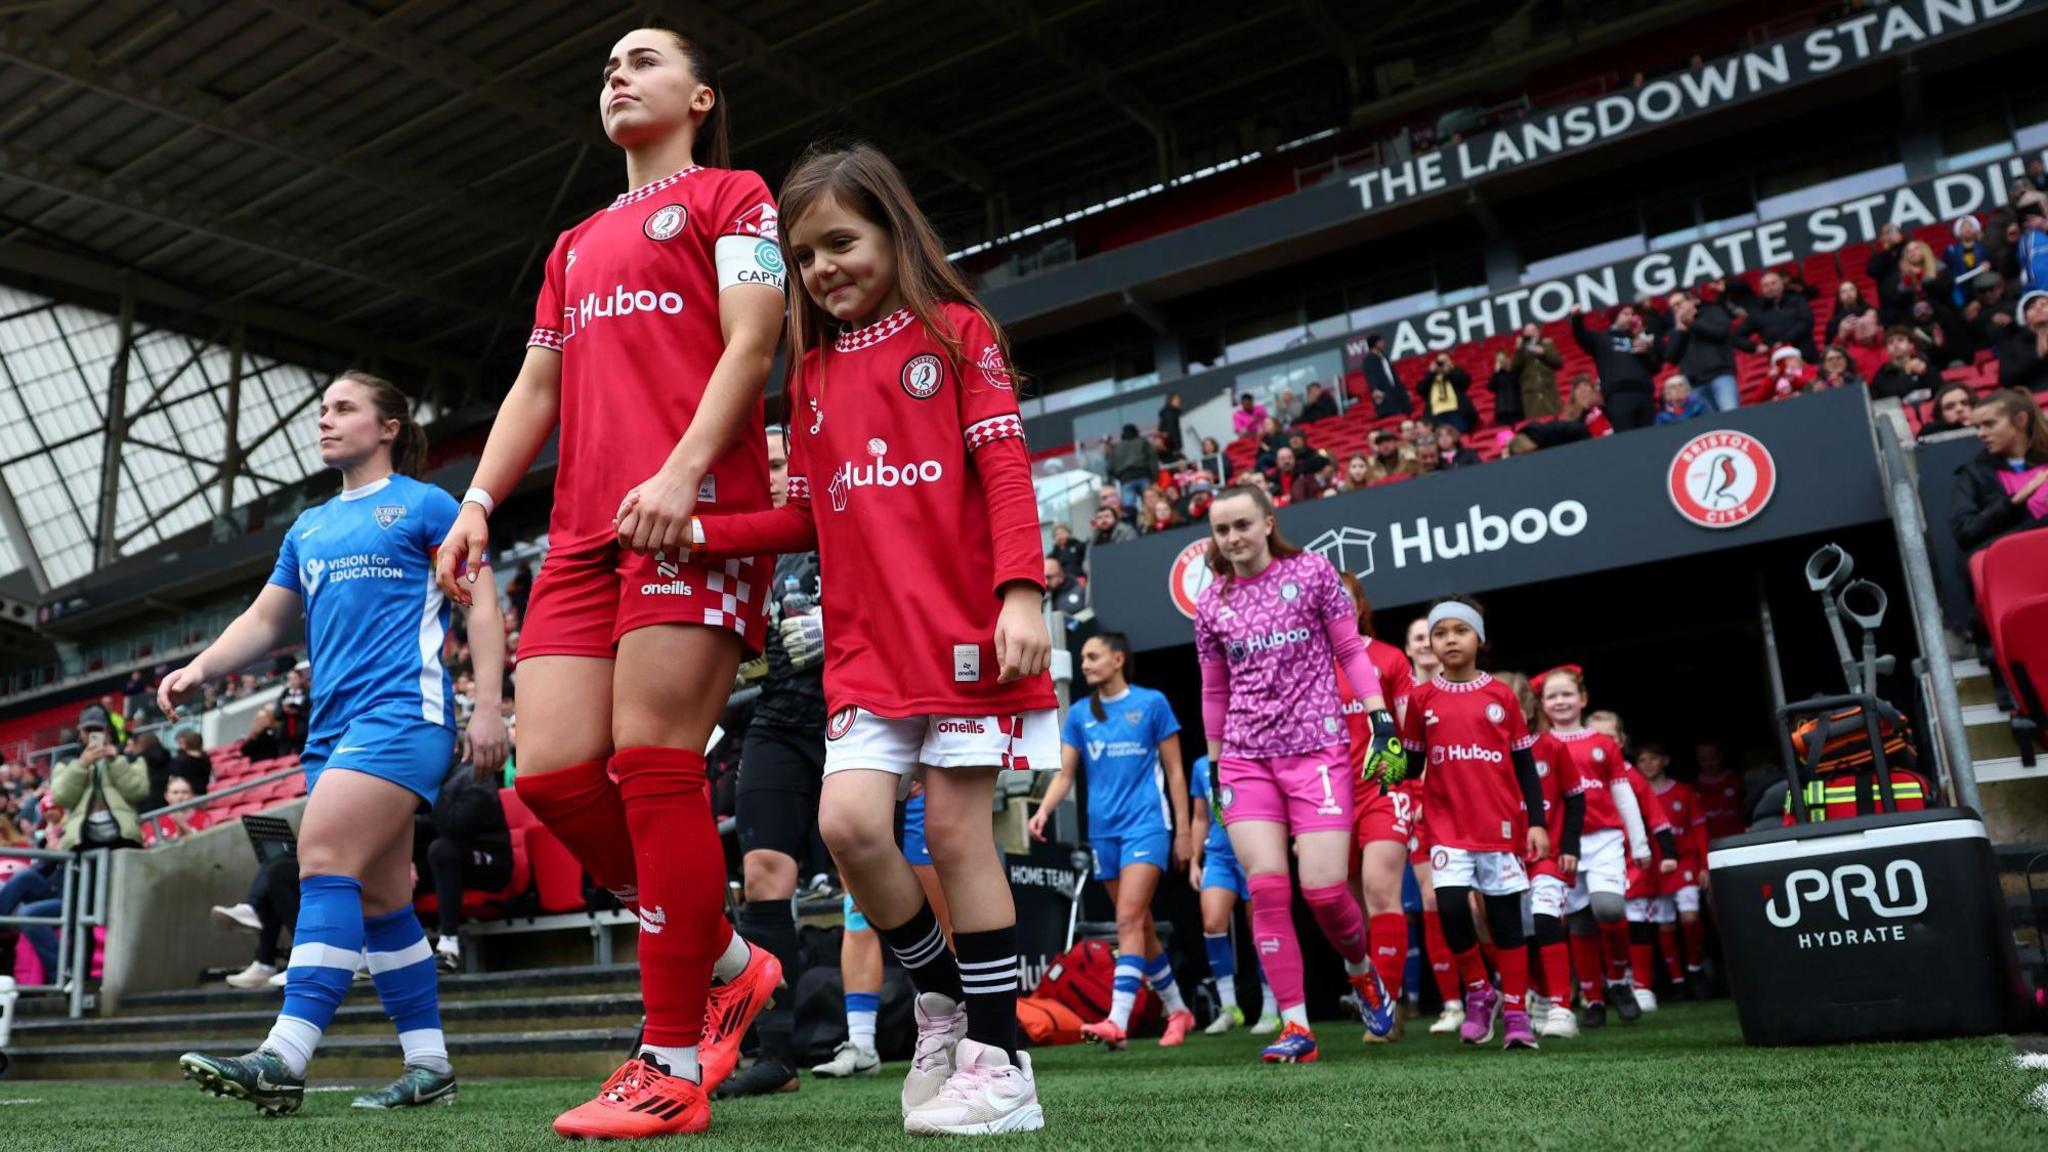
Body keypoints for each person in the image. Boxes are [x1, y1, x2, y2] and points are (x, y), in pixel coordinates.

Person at [432, 28, 788, 1137]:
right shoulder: (575, 243)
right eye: (604, 69)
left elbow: (754, 338)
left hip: (691, 517)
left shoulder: (736, 196)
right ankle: (729, 958)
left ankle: (669, 1059)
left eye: (641, 61)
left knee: (649, 763)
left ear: (699, 94)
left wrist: (684, 473)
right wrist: (479, 504)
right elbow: (536, 388)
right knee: (547, 778)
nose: (616, 77)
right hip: (584, 533)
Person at [689, 141, 1055, 1135]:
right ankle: (942, 1001)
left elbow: (1008, 475)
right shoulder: (806, 374)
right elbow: (802, 517)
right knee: (851, 830)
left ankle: (1002, 1065)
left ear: (895, 233)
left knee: (950, 835)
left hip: (965, 634)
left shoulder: (961, 334)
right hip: (862, 649)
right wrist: (693, 529)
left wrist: (1020, 595)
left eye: (841, 242)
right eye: (804, 257)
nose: (822, 270)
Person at [164, 371, 509, 1116]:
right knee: (385, 900)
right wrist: (199, 667)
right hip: (334, 733)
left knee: (320, 860)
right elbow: (265, 621)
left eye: (343, 409)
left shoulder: (427, 505)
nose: (325, 420)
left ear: (389, 427)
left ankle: (283, 1056)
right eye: (321, 410)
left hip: (404, 715)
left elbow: (482, 602)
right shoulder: (309, 527)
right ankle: (430, 1066)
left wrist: (491, 705)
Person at [1193, 484, 1402, 1063]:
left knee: (1326, 892)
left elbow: (1352, 652)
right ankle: (1296, 1025)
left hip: (1318, 753)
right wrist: (1213, 762)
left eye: (1241, 525)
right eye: (1221, 530)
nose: (1232, 538)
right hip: (1244, 757)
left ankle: (1361, 974)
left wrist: (1381, 719)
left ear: (1267, 522)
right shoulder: (1212, 604)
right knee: (1265, 888)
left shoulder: (1312, 573)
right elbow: (1214, 690)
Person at [715, 424, 829, 1099]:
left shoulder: (841, 521)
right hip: (774, 722)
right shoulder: (750, 546)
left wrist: (837, 624)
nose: (774, 474)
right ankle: (777, 1054)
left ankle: (969, 1025)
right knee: (761, 874)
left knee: (896, 874)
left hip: (856, 716)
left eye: (783, 462)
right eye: (766, 465)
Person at [1031, 634, 1193, 1050]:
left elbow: (1176, 773)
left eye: (1093, 656)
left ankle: (1116, 1020)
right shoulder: (1081, 714)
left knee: (1127, 918)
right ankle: (1178, 1009)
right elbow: (1065, 775)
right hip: (1103, 833)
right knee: (1138, 923)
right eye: (1083, 657)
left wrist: (1185, 832)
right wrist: (1044, 810)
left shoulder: (1152, 703)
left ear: (1118, 659)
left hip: (1147, 827)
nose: (1084, 664)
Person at [1400, 599, 1548, 1050]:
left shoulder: (1501, 696)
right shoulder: (1421, 700)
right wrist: (1383, 756)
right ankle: (1480, 993)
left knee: (1504, 921)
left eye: (1458, 631)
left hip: (1499, 825)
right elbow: (1410, 763)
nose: (1448, 640)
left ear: (1479, 640)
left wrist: (1536, 822)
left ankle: (1518, 1013)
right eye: (1439, 633)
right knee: (1448, 908)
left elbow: (1525, 766)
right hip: (1446, 825)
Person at [1536, 667, 1667, 1029]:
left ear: (1583, 699)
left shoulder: (1603, 743)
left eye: (1567, 694)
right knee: (1579, 921)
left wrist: (1639, 843)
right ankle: (1593, 998)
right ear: (1542, 704)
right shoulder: (1540, 745)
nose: (1560, 702)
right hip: (1565, 844)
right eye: (1552, 696)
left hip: (1605, 839)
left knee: (1608, 909)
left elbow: (1624, 795)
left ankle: (1619, 981)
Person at [1333, 575, 1417, 1041]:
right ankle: (1376, 998)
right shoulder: (1308, 665)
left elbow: (1409, 733)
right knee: (1348, 907)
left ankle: (1385, 1012)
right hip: (1328, 797)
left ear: (1361, 605)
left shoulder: (1388, 658)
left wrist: (1415, 789)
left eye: (1345, 598)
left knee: (1380, 890)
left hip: (1384, 788)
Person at [1185, 753, 1279, 1035]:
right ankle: (1229, 1008)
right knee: (1212, 924)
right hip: (1218, 856)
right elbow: (1200, 817)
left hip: (1254, 850)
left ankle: (1271, 1009)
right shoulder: (1201, 765)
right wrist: (1193, 860)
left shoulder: (1255, 754)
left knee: (1260, 930)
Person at [418, 758, 513, 974]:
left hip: (490, 861)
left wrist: (430, 788)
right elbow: (418, 828)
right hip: (448, 861)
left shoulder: (476, 774)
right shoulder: (422, 779)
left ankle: (449, 946)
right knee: (390, 864)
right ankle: (387, 953)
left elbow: (454, 825)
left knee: (441, 849)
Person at [1637, 744, 1709, 999]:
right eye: (1642, 760)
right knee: (1664, 924)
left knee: (1690, 917)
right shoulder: (1635, 796)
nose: (1647, 764)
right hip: (1653, 867)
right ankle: (1677, 980)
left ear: (1665, 760)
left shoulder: (1684, 792)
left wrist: (1704, 865)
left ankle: (1695, 970)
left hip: (1685, 862)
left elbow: (1699, 829)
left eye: (1653, 758)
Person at [1951, 389, 2048, 558]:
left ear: (2020, 420)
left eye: (1989, 424)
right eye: (1977, 427)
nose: (1980, 434)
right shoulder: (1974, 474)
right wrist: (2012, 503)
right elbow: (1964, 532)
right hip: (2016, 562)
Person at [51, 705, 150, 852]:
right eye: (88, 730)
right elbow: (61, 798)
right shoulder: (66, 762)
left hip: (123, 836)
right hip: (81, 838)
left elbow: (138, 791)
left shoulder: (129, 759)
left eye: (98, 729)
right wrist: (81, 765)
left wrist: (116, 761)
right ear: (80, 733)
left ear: (107, 730)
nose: (93, 734)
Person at [1569, 306, 1657, 431]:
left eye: (1632, 314)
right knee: (1626, 441)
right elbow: (1581, 336)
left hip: (1644, 394)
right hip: (1618, 397)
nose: (1630, 318)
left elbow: (1655, 367)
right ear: (1615, 317)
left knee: (1651, 438)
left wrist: (1647, 352)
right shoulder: (1602, 339)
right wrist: (1577, 318)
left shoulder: (1640, 339)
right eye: (1625, 314)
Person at [1664, 283, 1741, 412]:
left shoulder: (1712, 312)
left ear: (1692, 301)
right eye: (1673, 307)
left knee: (1731, 418)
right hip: (1694, 384)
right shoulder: (1676, 330)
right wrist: (1681, 332)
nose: (1676, 309)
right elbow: (1671, 357)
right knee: (1707, 428)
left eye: (1679, 303)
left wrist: (1692, 323)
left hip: (1720, 376)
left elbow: (1721, 332)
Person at [1736, 270, 1817, 362]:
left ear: (1782, 284)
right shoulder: (1757, 312)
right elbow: (1737, 337)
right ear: (1761, 289)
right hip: (1779, 362)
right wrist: (1754, 347)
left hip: (1806, 356)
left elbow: (1807, 322)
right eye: (1765, 285)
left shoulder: (1797, 300)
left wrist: (1783, 341)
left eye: (1773, 283)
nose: (1770, 287)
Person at [1509, 323, 1564, 419]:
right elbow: (1513, 369)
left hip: (1549, 393)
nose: (1531, 333)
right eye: (1528, 331)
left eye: (1533, 330)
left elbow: (1559, 362)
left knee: (1554, 420)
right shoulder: (1521, 351)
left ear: (1538, 332)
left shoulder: (1547, 345)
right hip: (1531, 397)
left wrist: (1544, 353)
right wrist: (1518, 350)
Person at [1870, 327, 1938, 402]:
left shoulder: (1924, 366)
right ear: (1887, 350)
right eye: (1890, 342)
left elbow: (1939, 389)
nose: (1895, 345)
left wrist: (1925, 373)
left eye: (1900, 340)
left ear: (1911, 345)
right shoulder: (1881, 375)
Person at [2000, 290, 2048, 393]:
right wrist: (2038, 357)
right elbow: (2006, 380)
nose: (2038, 308)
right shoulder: (2011, 345)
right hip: (2034, 396)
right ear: (2024, 317)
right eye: (2031, 307)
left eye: (2044, 304)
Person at [1108, 424, 1160, 515]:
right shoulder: (1142, 442)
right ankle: (1152, 521)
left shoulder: (1117, 447)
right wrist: (1154, 477)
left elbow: (1110, 467)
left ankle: (1133, 525)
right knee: (1150, 501)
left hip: (1126, 478)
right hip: (1143, 475)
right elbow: (1153, 459)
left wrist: (1120, 477)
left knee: (1129, 506)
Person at [1420, 352, 1474, 434]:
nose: (1442, 364)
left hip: (1456, 411)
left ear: (1450, 361)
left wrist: (1449, 371)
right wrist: (1431, 373)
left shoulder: (1456, 371)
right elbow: (1421, 390)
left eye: (1444, 361)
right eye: (1439, 362)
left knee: (1459, 434)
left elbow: (1465, 382)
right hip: (1436, 413)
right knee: (1441, 436)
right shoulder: (1431, 376)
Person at [147, 776, 213, 843]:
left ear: (192, 795)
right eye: (175, 792)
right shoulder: (156, 822)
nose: (180, 796)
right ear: (166, 796)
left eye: (185, 792)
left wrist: (185, 827)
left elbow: (208, 843)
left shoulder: (204, 817)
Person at [1359, 334, 1411, 417]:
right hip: (1384, 394)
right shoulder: (1369, 360)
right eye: (1380, 341)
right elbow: (1370, 376)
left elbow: (1394, 375)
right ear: (1375, 343)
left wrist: (1403, 390)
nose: (1383, 343)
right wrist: (1375, 389)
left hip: (1396, 392)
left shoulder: (1384, 357)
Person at [278, 667, 310, 753]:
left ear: (301, 678)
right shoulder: (285, 693)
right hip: (287, 735)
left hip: (305, 733)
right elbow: (277, 714)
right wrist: (284, 710)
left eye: (295, 678)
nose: (292, 681)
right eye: (290, 679)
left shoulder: (308, 692)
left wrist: (296, 712)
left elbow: (311, 713)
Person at [1156, 392, 1184, 457]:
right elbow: (1173, 430)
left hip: (1169, 447)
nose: (1179, 401)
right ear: (1171, 401)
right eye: (1177, 399)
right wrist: (1177, 447)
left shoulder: (1168, 413)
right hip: (1172, 447)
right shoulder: (1171, 413)